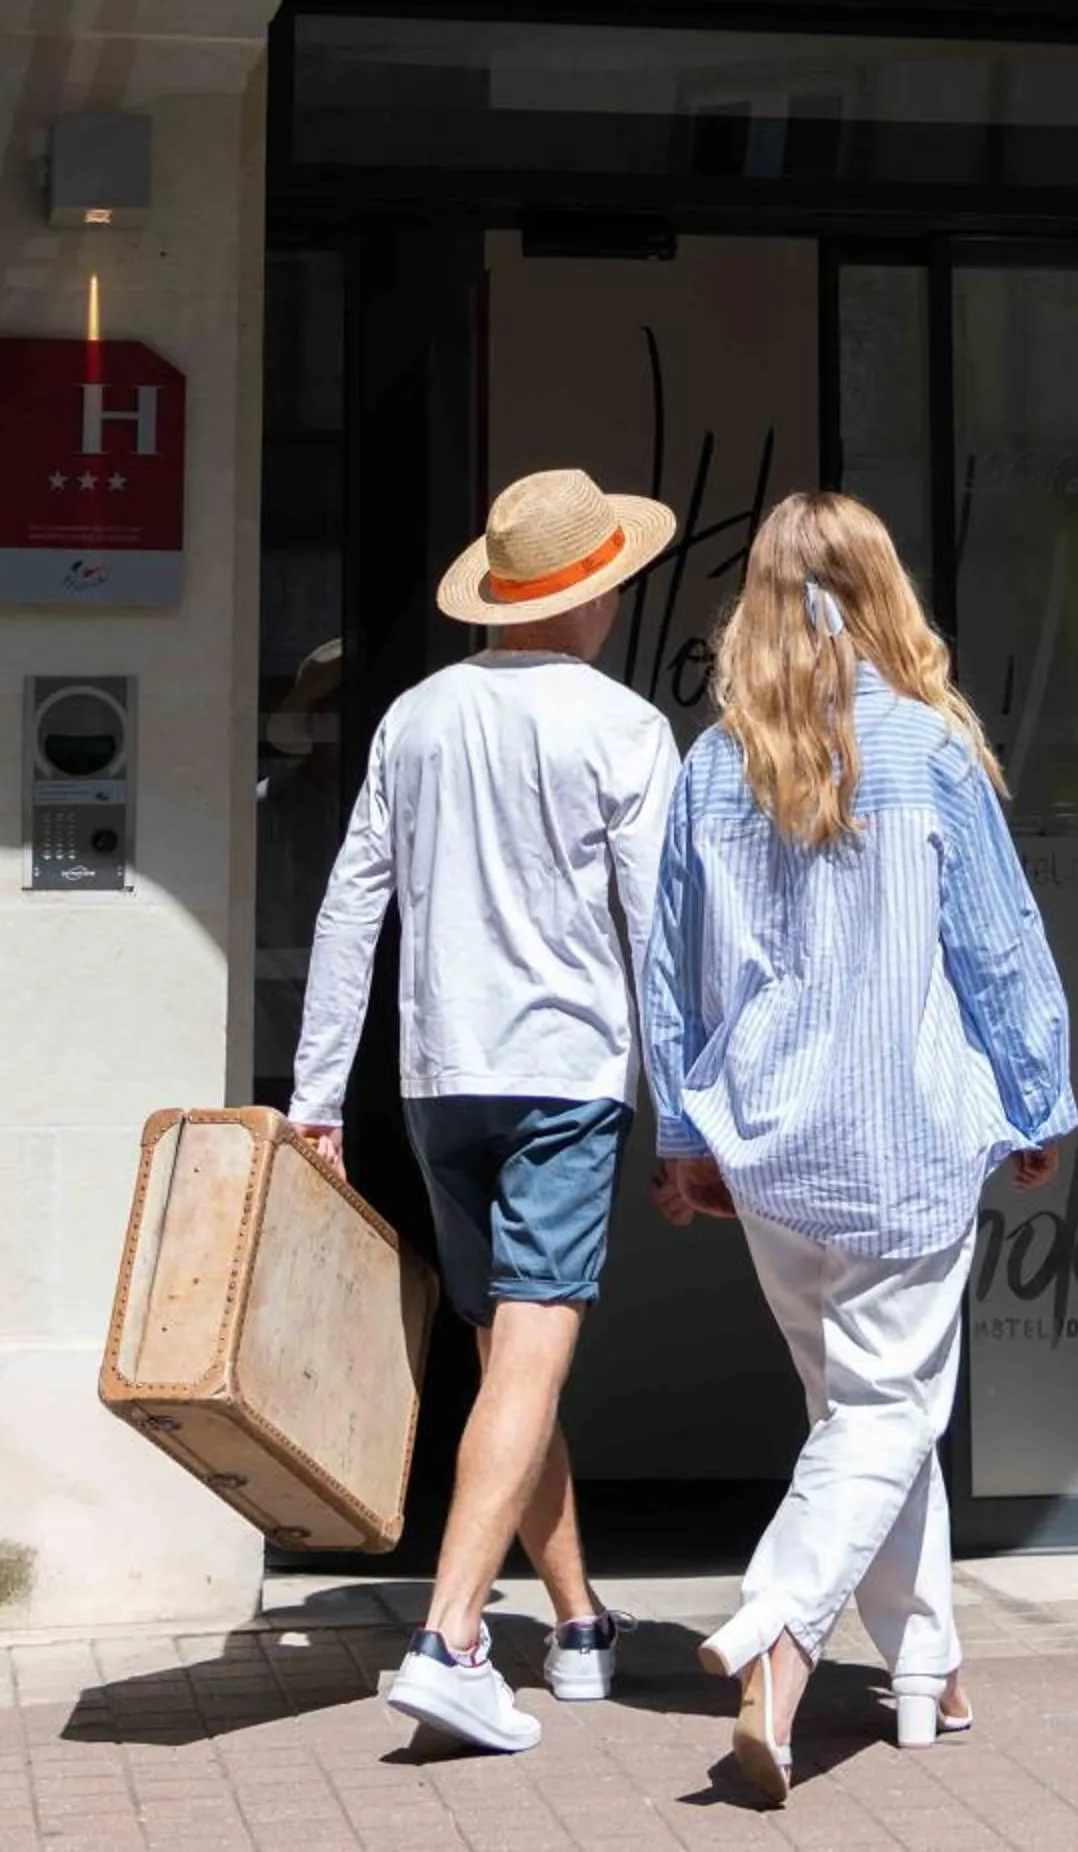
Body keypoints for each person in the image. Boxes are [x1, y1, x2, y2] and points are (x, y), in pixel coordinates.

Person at [644, 491, 1076, 1808]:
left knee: (860, 1419)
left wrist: (679, 1128)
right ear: (882, 590)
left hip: (772, 1146)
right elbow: (996, 941)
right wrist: (1040, 1091)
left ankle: (927, 1675)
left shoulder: (711, 764)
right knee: (883, 1414)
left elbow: (665, 975)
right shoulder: (927, 752)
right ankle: (777, 1638)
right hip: (903, 1140)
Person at [292, 466, 681, 1757]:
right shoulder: (623, 727)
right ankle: (453, 1636)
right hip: (563, 1075)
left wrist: (317, 1095)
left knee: (505, 1353)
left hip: (434, 1078)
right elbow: (659, 938)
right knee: (530, 1351)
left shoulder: (415, 715)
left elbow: (353, 906)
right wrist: (682, 1114)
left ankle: (574, 1628)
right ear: (598, 589)